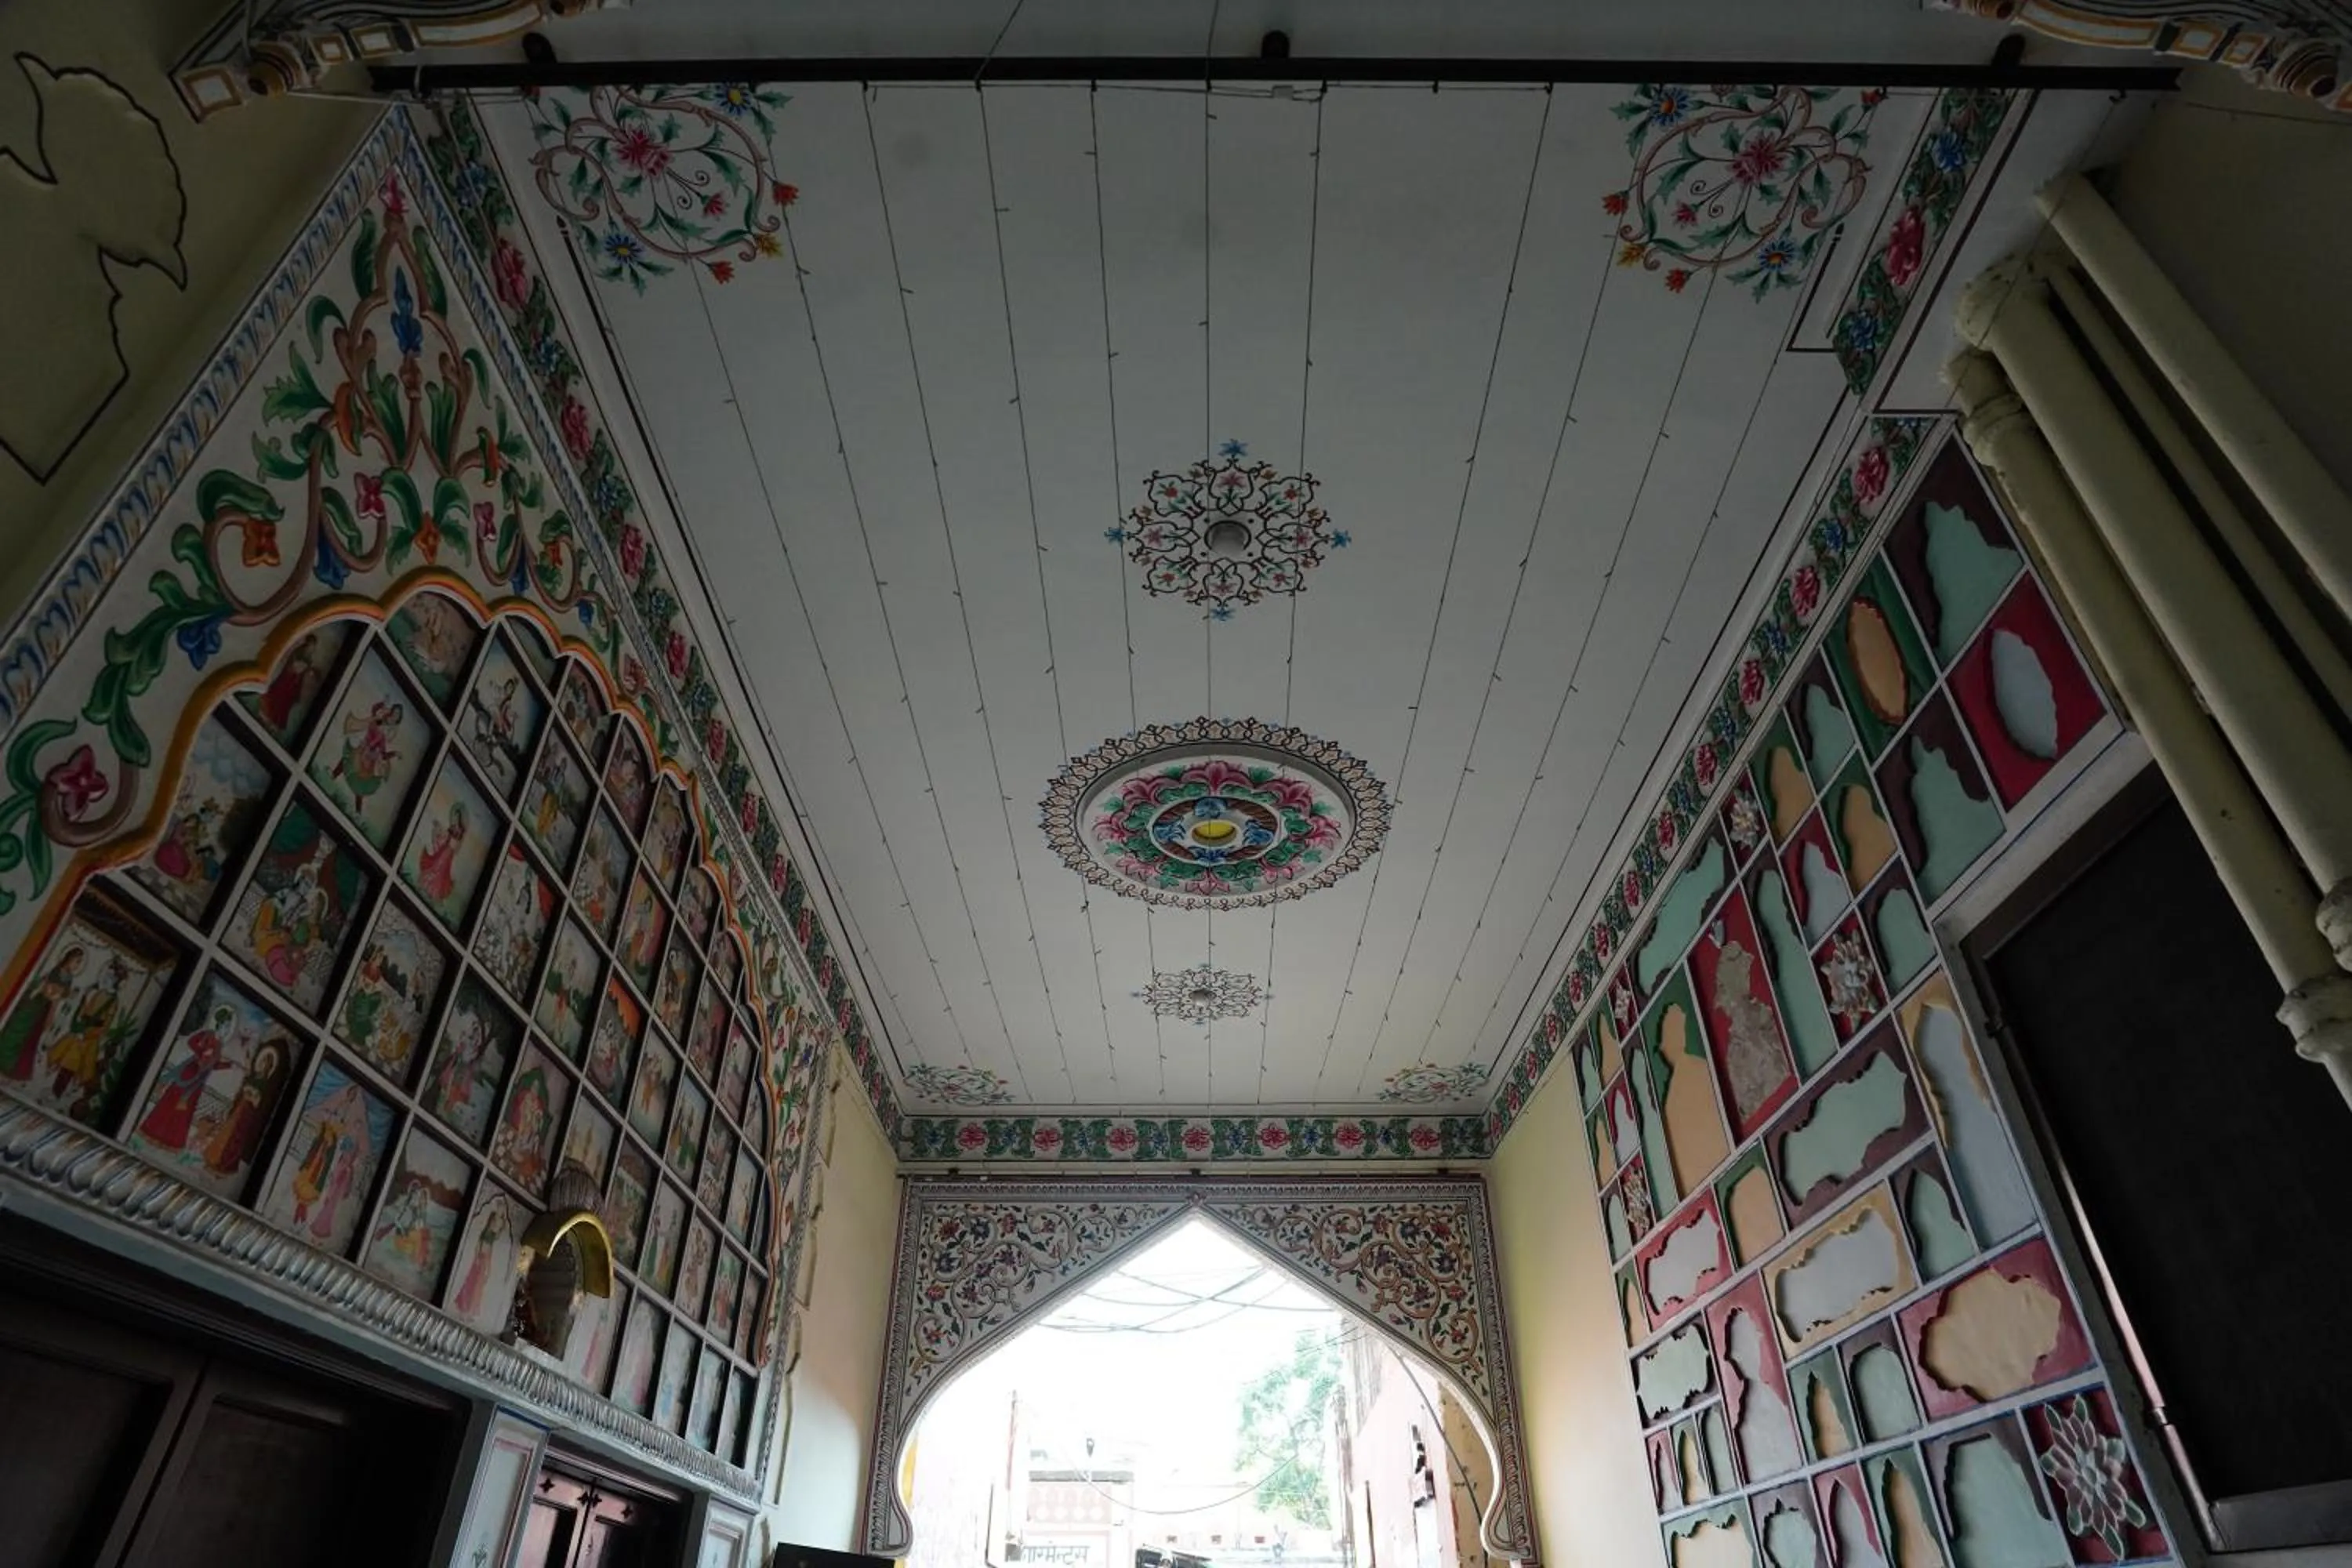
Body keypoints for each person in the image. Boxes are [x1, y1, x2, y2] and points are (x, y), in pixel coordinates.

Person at [0, 946, 84, 1080]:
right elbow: (48, 990)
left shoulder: (69, 978)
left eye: (79, 962)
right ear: (69, 959)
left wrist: (64, 996)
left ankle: (13, 1070)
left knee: (32, 1037)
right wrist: (59, 995)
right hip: (37, 1005)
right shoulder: (58, 971)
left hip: (46, 1009)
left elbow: (62, 993)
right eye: (77, 961)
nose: (77, 965)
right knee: (19, 1030)